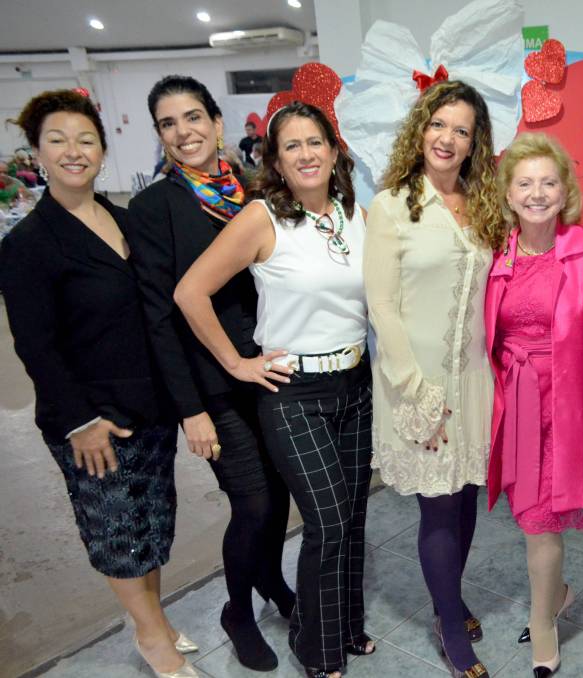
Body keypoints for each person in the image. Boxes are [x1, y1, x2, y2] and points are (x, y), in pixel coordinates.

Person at [175, 100, 374, 678]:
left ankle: (346, 626)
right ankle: (314, 646)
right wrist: (236, 363)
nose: (306, 154)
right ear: (277, 161)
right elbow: (190, 292)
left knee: (352, 518)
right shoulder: (262, 218)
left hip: (355, 383)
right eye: (292, 146)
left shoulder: (355, 213)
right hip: (295, 394)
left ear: (333, 151)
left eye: (315, 142)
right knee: (327, 522)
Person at [0, 90, 194, 678]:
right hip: (93, 420)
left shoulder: (123, 219)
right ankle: (152, 636)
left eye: (85, 140)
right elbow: (37, 348)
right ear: (37, 153)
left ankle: (152, 619)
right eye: (57, 140)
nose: (73, 151)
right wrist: (80, 422)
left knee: (150, 525)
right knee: (117, 534)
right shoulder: (27, 245)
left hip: (149, 406)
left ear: (103, 151)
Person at [127, 76, 292, 672]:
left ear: (218, 124)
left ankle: (272, 581)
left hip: (269, 369)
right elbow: (158, 316)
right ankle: (237, 613)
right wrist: (191, 411)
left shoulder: (255, 190)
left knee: (279, 494)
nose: (184, 132)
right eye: (168, 124)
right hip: (212, 382)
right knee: (252, 502)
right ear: (160, 135)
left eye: (193, 117)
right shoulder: (153, 207)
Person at [364, 79, 503, 678]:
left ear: (475, 143)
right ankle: (449, 625)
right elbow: (381, 304)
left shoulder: (484, 204)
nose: (447, 138)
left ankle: (452, 599)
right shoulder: (393, 204)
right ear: (421, 130)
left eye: (461, 130)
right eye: (438, 124)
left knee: (465, 496)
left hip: (474, 379)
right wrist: (416, 389)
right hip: (417, 383)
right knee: (439, 508)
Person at [484, 133, 583, 677]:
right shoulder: (497, 255)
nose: (537, 193)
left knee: (543, 520)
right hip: (516, 400)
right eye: (525, 183)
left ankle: (543, 621)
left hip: (568, 403)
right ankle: (556, 594)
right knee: (530, 515)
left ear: (565, 192)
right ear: (508, 194)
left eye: (548, 182)